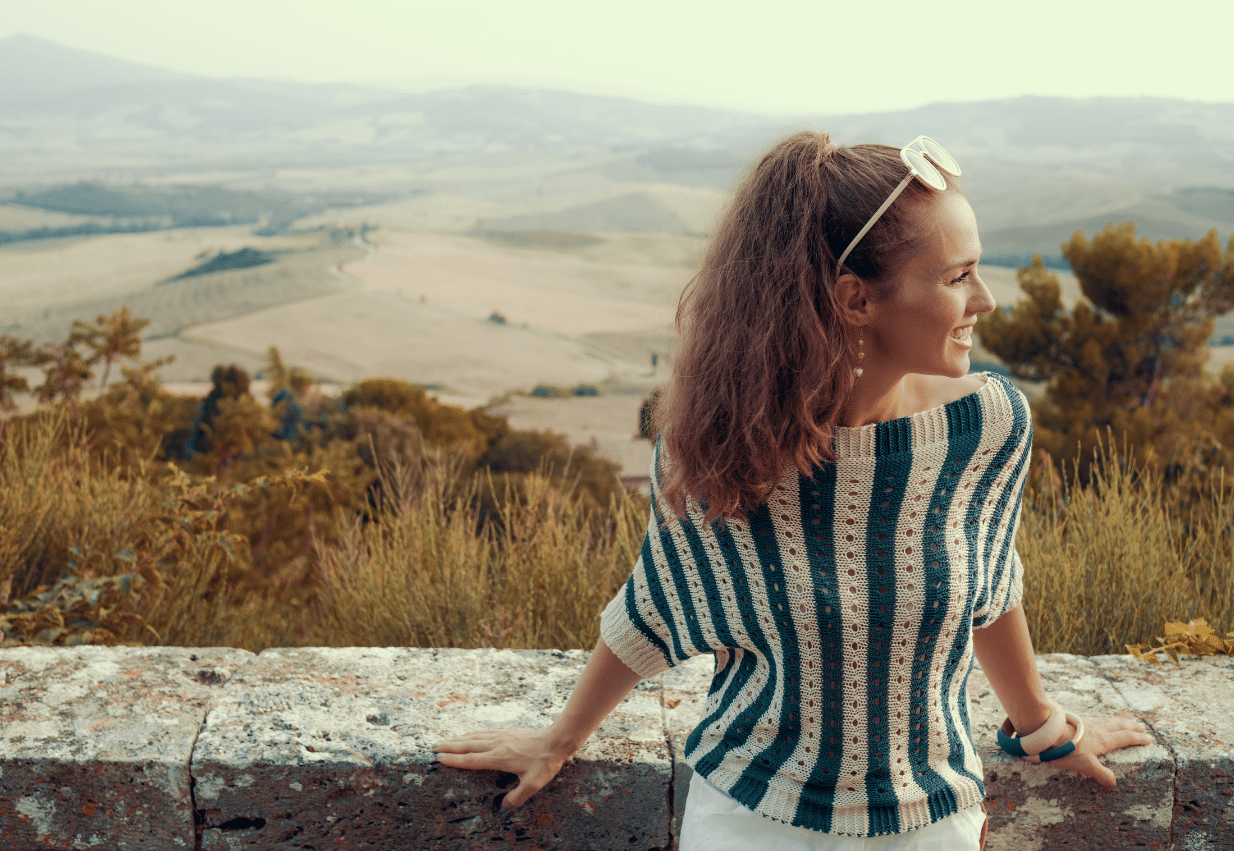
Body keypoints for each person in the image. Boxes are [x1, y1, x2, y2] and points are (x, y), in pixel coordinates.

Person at [433, 131, 1152, 849]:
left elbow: (991, 589)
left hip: (930, 825)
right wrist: (559, 739)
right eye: (957, 276)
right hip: (746, 820)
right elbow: (657, 604)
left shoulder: (986, 428)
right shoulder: (716, 449)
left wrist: (1043, 727)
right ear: (855, 299)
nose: (987, 301)